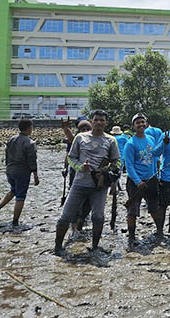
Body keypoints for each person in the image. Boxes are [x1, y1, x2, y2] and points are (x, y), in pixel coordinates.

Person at [54, 110, 120, 256]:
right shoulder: (80, 138)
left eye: (102, 120)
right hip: (79, 183)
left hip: (99, 186)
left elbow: (117, 161)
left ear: (106, 123)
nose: (99, 122)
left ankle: (95, 247)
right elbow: (71, 158)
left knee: (98, 217)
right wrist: (80, 167)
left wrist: (106, 171)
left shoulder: (111, 140)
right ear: (91, 121)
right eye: (96, 120)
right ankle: (57, 247)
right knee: (65, 216)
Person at [0, 119, 39, 228]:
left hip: (10, 170)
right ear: (29, 128)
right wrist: (35, 175)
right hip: (22, 171)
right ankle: (15, 221)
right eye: (31, 127)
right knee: (21, 196)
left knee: (13, 190)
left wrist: (8, 167)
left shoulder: (11, 140)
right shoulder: (30, 143)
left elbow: (7, 156)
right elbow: (32, 160)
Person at [123, 113, 159, 249]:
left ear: (146, 123)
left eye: (142, 122)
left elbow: (154, 156)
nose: (140, 125)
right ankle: (131, 237)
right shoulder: (130, 143)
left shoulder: (150, 139)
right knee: (133, 210)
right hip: (135, 182)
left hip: (151, 179)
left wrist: (157, 171)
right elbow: (129, 165)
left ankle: (159, 232)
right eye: (137, 123)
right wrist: (138, 181)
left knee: (154, 207)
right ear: (133, 126)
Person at [60, 119, 93, 235]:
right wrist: (65, 167)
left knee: (88, 203)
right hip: (76, 175)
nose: (85, 131)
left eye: (87, 129)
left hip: (91, 177)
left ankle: (80, 224)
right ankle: (74, 228)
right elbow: (68, 154)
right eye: (82, 129)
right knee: (75, 202)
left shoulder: (97, 140)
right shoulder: (76, 141)